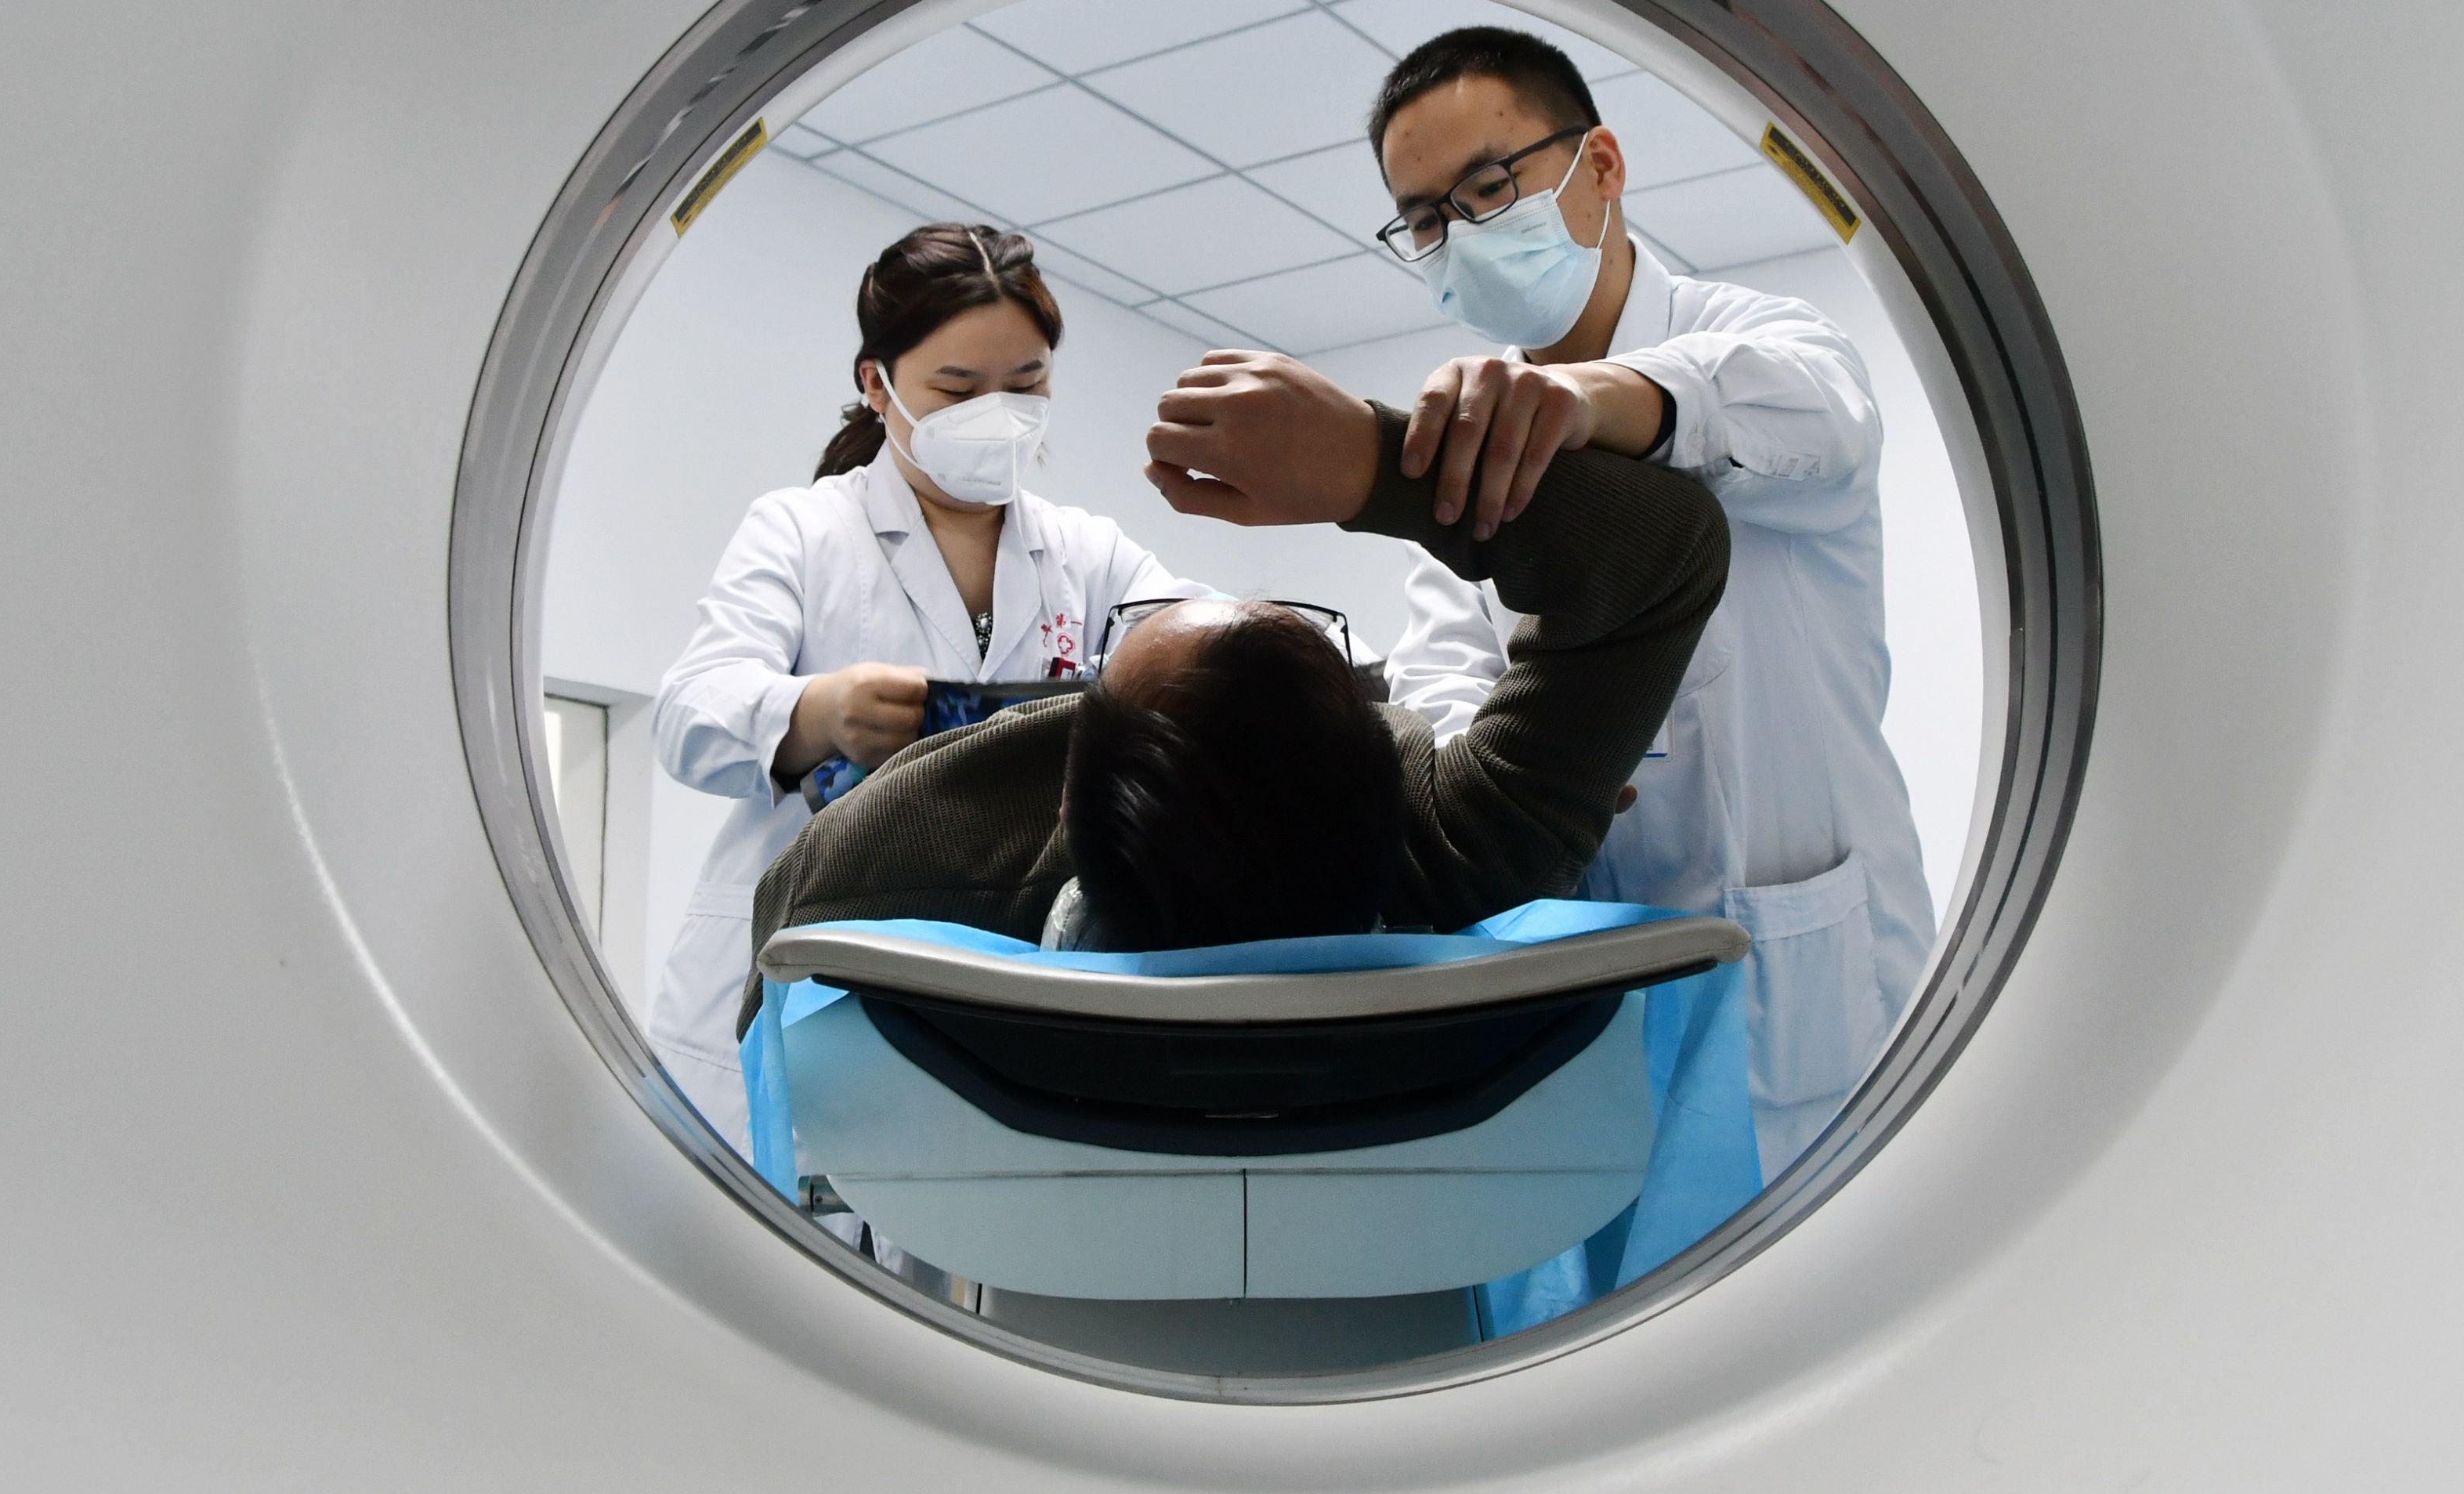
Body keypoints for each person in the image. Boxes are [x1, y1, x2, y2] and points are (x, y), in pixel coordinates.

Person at [738, 349, 1730, 1031]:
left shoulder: (905, 851)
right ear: (1384, 757)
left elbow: (778, 946)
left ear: (1070, 792)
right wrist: (1371, 466)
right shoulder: (1472, 836)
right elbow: (1661, 548)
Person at [1366, 26, 1933, 1169]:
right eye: (1425, 218)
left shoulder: (1758, 340)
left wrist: (1584, 403)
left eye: (1487, 185)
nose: (1459, 236)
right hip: (1603, 997)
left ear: (1601, 168)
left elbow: (1815, 418)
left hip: (1813, 989)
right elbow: (1438, 698)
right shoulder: (1458, 474)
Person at [649, 223, 1199, 1147]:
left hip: (991, 973)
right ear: (877, 383)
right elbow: (686, 714)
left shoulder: (1087, 553)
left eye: (1026, 384)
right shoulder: (802, 530)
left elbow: (1210, 644)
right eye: (956, 388)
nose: (998, 410)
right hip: (800, 970)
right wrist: (814, 711)